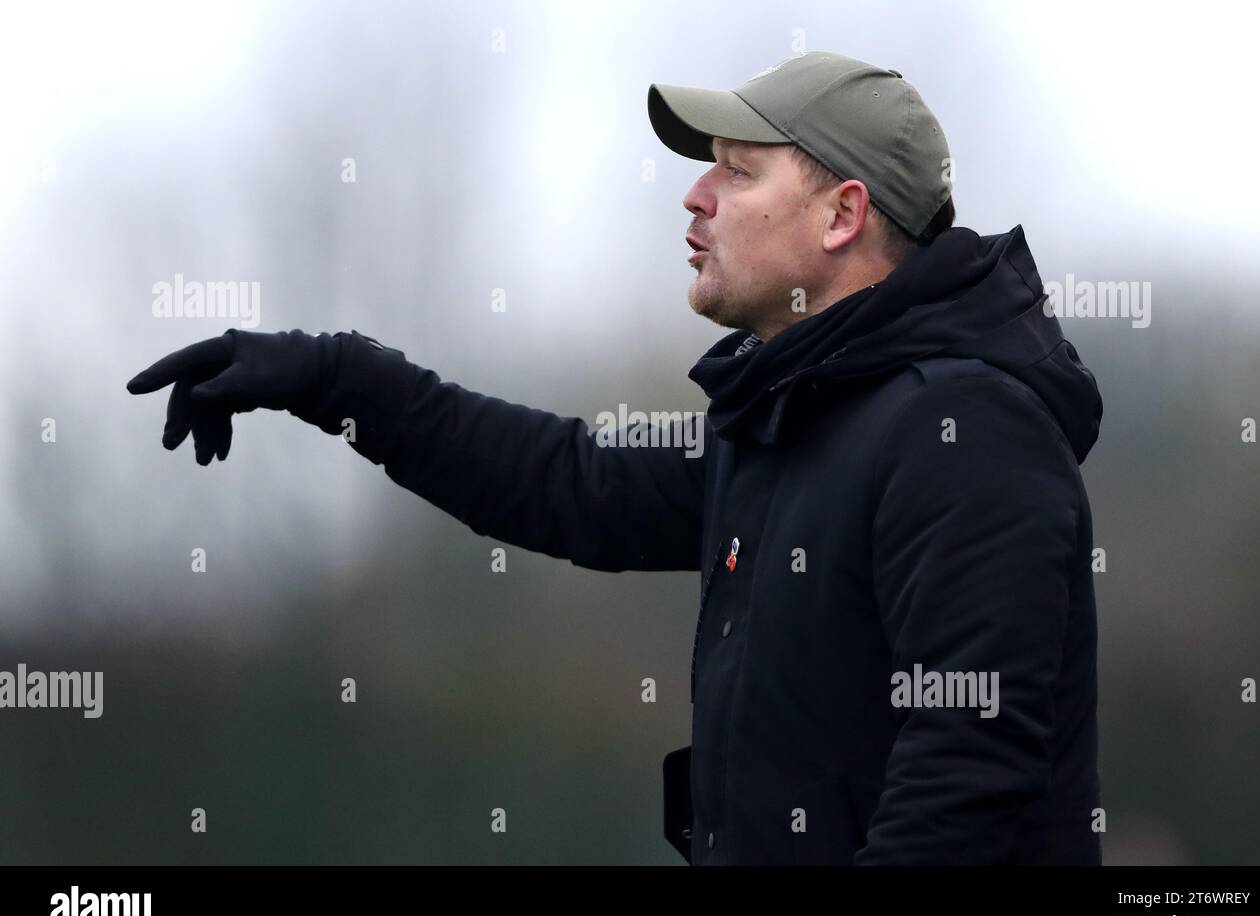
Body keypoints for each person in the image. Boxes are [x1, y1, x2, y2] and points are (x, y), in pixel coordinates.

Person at [127, 51, 1103, 865]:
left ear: (841, 215)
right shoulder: (783, 420)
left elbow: (965, 772)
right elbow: (568, 480)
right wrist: (333, 375)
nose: (694, 195)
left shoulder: (965, 428)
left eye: (736, 169)